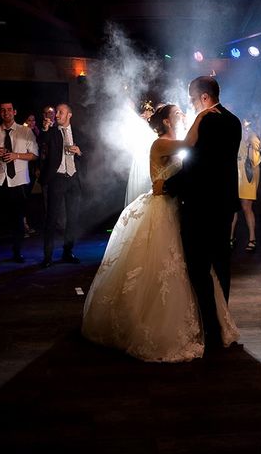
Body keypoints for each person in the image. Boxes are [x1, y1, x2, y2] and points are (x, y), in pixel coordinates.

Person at [82, 104, 238, 362]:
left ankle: (201, 322)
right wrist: (200, 117)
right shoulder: (160, 144)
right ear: (166, 121)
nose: (182, 115)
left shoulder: (173, 141)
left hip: (177, 207)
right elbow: (190, 144)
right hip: (161, 208)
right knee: (160, 264)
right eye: (177, 113)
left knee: (187, 264)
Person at [153, 76, 242, 348]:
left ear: (204, 97)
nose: (191, 105)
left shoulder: (208, 121)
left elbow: (197, 167)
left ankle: (211, 332)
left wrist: (167, 185)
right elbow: (223, 164)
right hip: (225, 204)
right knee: (222, 266)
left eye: (192, 100)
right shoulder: (234, 120)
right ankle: (222, 322)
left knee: (199, 268)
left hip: (201, 206)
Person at [0, 101, 39, 263]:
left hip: (19, 181)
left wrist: (16, 155)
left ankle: (17, 251)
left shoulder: (26, 131)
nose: (6, 113)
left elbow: (34, 155)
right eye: (2, 110)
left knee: (18, 219)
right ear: (0, 113)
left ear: (14, 112)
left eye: (9, 110)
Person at [40, 103, 84, 267]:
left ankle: (67, 252)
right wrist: (44, 129)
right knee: (51, 218)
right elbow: (41, 141)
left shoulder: (78, 133)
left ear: (69, 115)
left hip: (73, 179)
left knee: (72, 219)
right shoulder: (51, 132)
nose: (56, 115)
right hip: (57, 179)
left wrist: (79, 152)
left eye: (60, 112)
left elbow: (87, 153)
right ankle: (48, 257)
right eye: (56, 113)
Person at [230, 118, 261, 252]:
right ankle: (230, 237)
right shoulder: (233, 134)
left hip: (248, 173)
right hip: (234, 173)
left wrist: (249, 141)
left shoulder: (252, 136)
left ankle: (252, 238)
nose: (244, 124)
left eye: (246, 122)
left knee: (246, 206)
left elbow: (255, 160)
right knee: (232, 206)